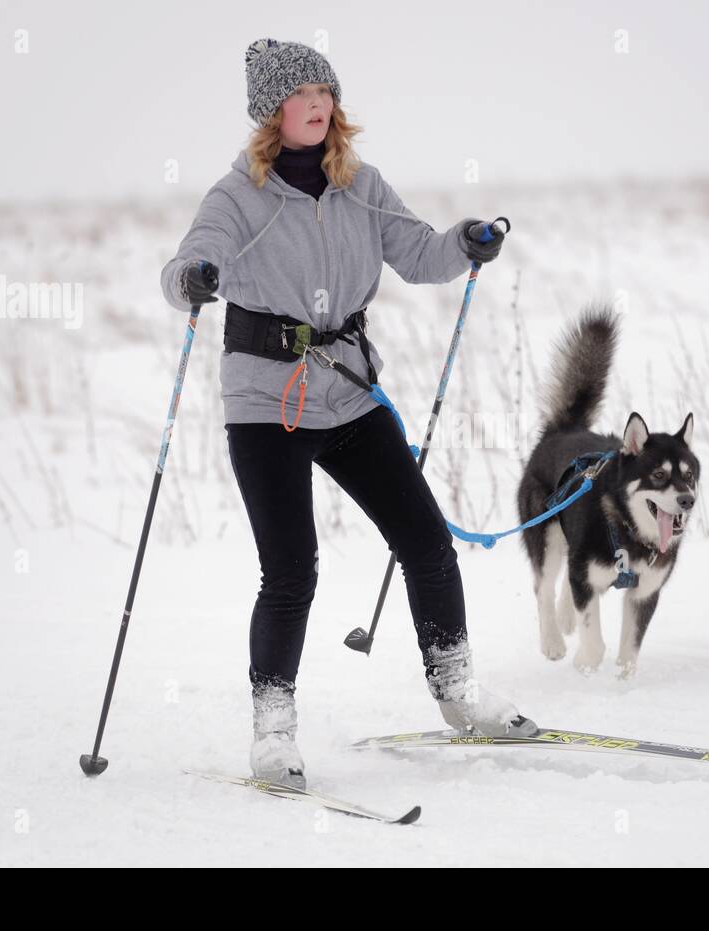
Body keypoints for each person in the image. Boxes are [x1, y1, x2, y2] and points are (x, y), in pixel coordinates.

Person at [160, 38, 536, 787]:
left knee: (427, 541)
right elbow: (182, 270)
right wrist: (195, 279)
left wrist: (464, 242)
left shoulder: (360, 184)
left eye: (324, 91)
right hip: (266, 404)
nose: (317, 103)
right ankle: (273, 732)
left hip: (348, 391)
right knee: (292, 570)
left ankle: (458, 693)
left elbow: (420, 253)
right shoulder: (236, 197)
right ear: (273, 112)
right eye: (301, 93)